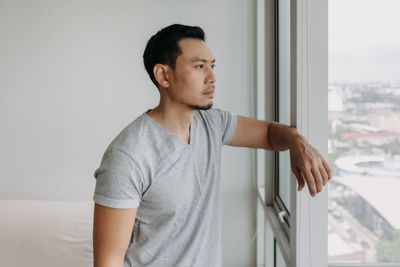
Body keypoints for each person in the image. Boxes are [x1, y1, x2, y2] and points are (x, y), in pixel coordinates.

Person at [92, 24, 332, 267]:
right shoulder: (128, 156)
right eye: (199, 66)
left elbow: (270, 134)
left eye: (212, 66)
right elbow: (107, 261)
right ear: (164, 75)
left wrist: (297, 142)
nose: (212, 77)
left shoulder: (211, 124)